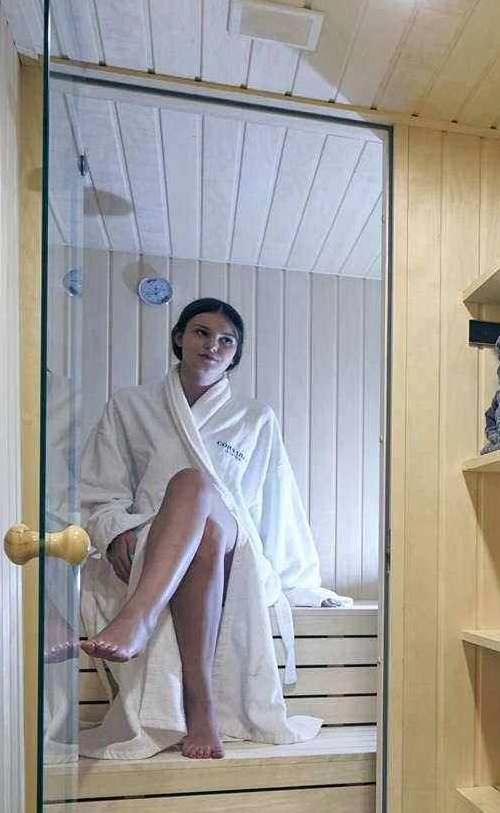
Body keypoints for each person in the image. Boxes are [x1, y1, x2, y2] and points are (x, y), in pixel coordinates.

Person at [76, 298, 346, 760]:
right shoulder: (130, 406)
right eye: (202, 332)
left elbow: (276, 501)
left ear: (234, 355)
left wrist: (299, 581)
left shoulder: (254, 417)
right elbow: (101, 487)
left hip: (232, 546)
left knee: (194, 484)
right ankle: (201, 709)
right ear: (180, 336)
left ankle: (137, 617)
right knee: (201, 527)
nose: (213, 345)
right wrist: (115, 529)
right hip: (151, 543)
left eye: (227, 341)